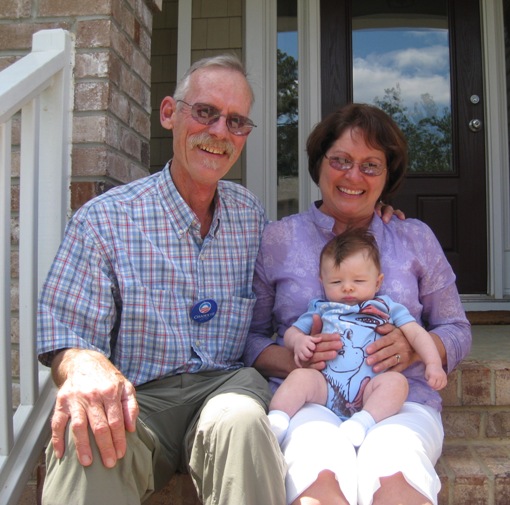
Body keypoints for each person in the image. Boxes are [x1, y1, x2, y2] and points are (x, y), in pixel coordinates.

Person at [36, 54, 287, 505]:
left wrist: (373, 225)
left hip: (224, 388)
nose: (219, 132)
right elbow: (66, 331)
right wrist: (82, 364)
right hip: (140, 399)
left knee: (243, 421)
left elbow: (302, 264)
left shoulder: (249, 215)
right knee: (89, 438)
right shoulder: (107, 219)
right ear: (170, 113)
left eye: (235, 122)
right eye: (206, 112)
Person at [244, 103, 471, 505]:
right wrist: (300, 358)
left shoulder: (414, 238)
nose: (353, 176)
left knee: (395, 474)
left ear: (388, 176)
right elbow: (250, 338)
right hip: (309, 401)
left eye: (371, 165)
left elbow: (456, 329)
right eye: (341, 161)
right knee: (317, 477)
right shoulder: (278, 240)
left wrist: (412, 349)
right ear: (318, 164)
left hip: (400, 402)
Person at [267, 228, 447, 448]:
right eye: (336, 282)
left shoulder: (387, 307)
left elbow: (417, 333)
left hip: (371, 388)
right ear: (322, 281)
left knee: (396, 383)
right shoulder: (322, 308)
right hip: (325, 387)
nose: (347, 287)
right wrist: (299, 342)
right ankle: (277, 419)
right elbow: (292, 332)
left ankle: (363, 422)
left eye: (359, 280)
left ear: (378, 282)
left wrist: (433, 363)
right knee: (299, 378)